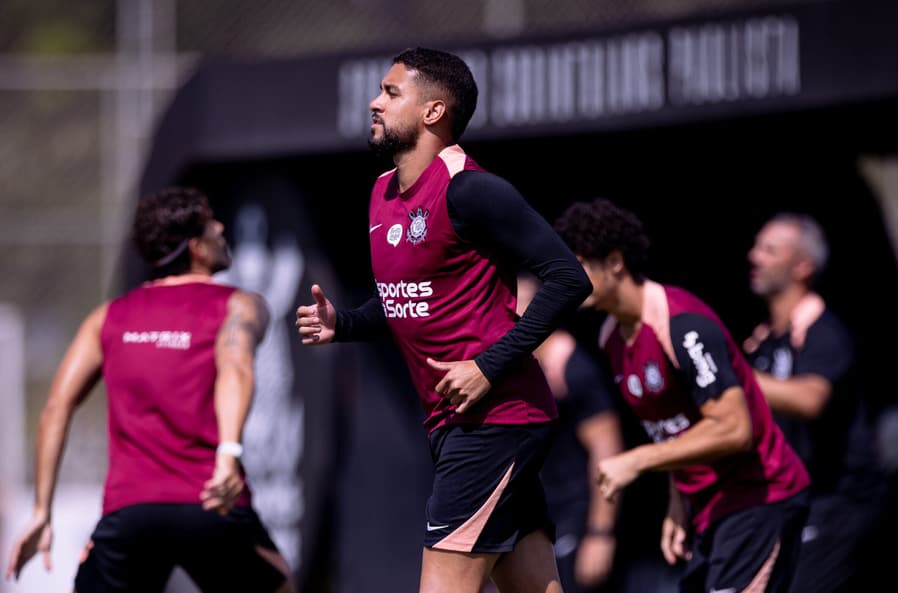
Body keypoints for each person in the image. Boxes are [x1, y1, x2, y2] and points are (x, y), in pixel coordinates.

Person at [295, 47, 591, 593]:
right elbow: (411, 298)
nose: (373, 103)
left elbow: (570, 280)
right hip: (455, 422)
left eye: (390, 92)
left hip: (496, 419)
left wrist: (488, 366)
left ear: (433, 112)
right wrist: (347, 323)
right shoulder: (382, 192)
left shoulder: (472, 190)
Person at [5, 187, 294, 593]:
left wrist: (41, 510)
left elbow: (56, 408)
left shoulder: (107, 317)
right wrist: (227, 456)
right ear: (196, 247)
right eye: (212, 221)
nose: (221, 228)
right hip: (211, 501)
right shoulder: (240, 305)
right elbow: (236, 366)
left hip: (129, 513)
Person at [553, 198, 811, 593]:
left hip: (761, 500)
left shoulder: (681, 325)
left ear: (616, 261)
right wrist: (680, 501)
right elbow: (676, 426)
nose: (568, 277)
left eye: (580, 264)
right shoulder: (611, 339)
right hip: (710, 508)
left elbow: (734, 429)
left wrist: (637, 460)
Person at [744, 212, 888, 593]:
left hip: (838, 500)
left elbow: (810, 400)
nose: (754, 256)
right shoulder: (763, 342)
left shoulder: (824, 332)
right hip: (786, 503)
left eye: (770, 250)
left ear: (802, 266)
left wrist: (731, 374)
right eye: (757, 246)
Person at [515, 274, 624, 593]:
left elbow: (607, 449)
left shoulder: (574, 368)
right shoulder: (506, 365)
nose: (512, 313)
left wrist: (600, 533)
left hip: (570, 517)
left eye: (522, 304)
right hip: (524, 518)